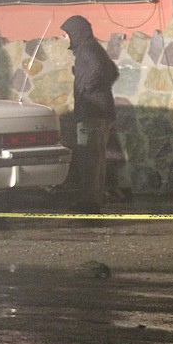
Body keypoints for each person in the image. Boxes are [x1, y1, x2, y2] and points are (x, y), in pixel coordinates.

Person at [61, 14, 119, 214]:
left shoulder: (87, 50)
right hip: (97, 112)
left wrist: (86, 87)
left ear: (76, 33)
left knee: (89, 159)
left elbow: (100, 70)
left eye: (67, 34)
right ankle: (92, 199)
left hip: (91, 113)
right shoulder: (90, 49)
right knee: (95, 159)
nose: (65, 38)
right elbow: (111, 71)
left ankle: (90, 202)